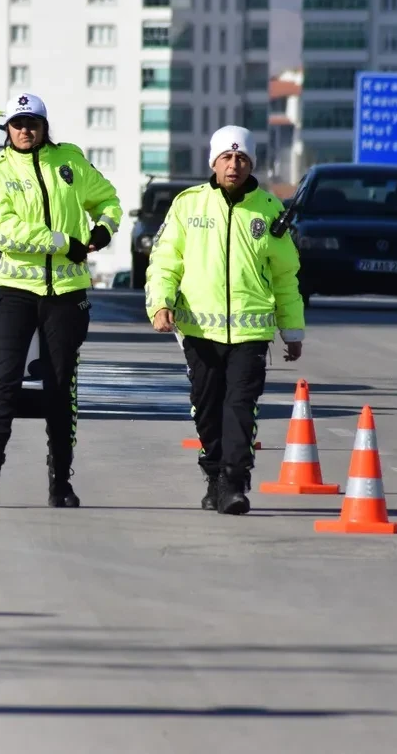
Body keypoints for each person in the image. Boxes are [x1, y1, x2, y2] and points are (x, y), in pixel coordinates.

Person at [0, 93, 123, 508]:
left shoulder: (69, 161)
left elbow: (109, 201)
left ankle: (60, 483)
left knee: (60, 389)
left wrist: (103, 230)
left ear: (44, 126)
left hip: (67, 297)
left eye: (32, 123)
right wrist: (63, 243)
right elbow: (5, 231)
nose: (24, 131)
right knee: (3, 384)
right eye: (17, 124)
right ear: (8, 129)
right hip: (14, 293)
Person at [145, 126, 305, 515]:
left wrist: (292, 329)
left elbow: (286, 275)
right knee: (206, 406)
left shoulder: (269, 210)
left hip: (250, 333)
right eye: (227, 158)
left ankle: (235, 482)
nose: (234, 165)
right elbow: (165, 261)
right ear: (214, 162)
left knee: (240, 405)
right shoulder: (188, 205)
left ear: (251, 164)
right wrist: (160, 304)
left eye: (242, 159)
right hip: (200, 329)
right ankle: (214, 474)